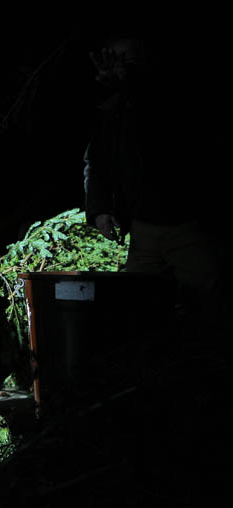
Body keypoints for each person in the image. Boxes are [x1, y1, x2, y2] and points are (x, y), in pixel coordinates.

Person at [83, 30, 223, 324]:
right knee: (139, 306)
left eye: (128, 62)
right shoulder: (112, 111)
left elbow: (161, 137)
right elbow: (99, 161)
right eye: (115, 61)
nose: (121, 69)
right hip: (144, 227)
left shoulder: (171, 98)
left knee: (209, 304)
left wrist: (129, 86)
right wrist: (100, 210)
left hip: (187, 223)